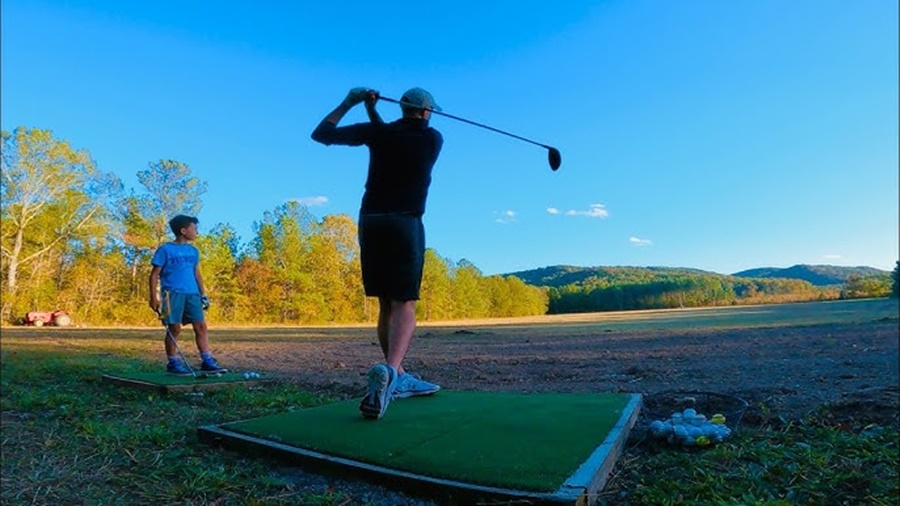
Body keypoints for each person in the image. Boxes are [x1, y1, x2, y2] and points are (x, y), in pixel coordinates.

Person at [311, 87, 444, 419]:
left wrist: (353, 103)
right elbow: (395, 133)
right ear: (426, 111)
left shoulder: (378, 133)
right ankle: (391, 371)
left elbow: (321, 134)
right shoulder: (432, 139)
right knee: (405, 302)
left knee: (386, 301)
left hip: (370, 221)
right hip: (405, 221)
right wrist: (371, 110)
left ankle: (395, 374)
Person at [148, 214, 226, 375]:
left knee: (201, 326)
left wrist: (203, 294)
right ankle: (173, 362)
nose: (196, 231)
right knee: (174, 328)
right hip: (172, 294)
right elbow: (154, 274)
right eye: (194, 228)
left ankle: (207, 360)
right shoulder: (165, 250)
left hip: (192, 294)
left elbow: (197, 274)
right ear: (183, 230)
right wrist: (153, 297)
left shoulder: (193, 251)